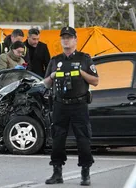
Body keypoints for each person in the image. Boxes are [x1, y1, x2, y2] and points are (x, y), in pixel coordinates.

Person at [42, 26, 99, 186]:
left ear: (75, 40)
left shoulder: (84, 59)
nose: (66, 40)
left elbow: (95, 80)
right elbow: (46, 83)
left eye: (69, 37)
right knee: (58, 139)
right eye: (63, 37)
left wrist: (81, 73)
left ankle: (85, 173)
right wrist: (52, 76)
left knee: (83, 139)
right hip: (60, 105)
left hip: (79, 105)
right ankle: (57, 173)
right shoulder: (55, 60)